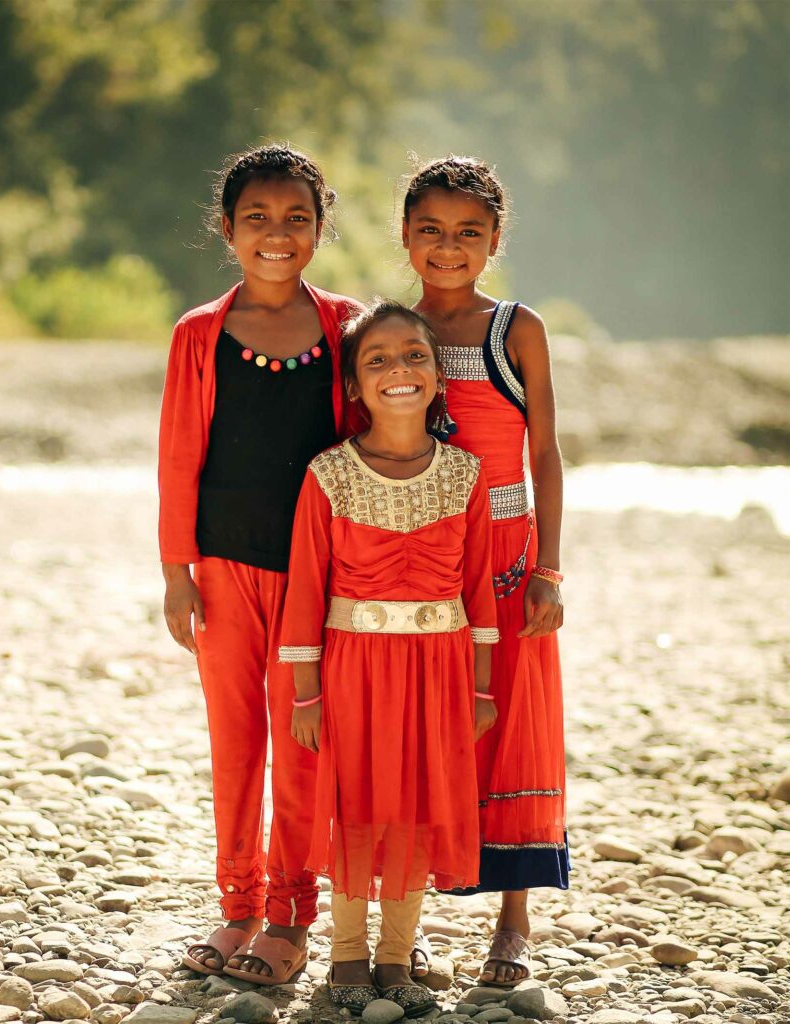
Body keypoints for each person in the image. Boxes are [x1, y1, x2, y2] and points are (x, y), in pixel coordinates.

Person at [158, 144, 363, 984]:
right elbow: (178, 459)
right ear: (227, 229)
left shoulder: (347, 326)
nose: (276, 234)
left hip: (319, 577)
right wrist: (177, 570)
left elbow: (375, 442)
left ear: (319, 228)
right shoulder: (200, 334)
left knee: (303, 739)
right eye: (257, 219)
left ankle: (291, 914)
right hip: (222, 568)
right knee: (236, 741)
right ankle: (239, 906)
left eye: (295, 219)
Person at [278, 301, 499, 1016]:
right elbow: (306, 588)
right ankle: (346, 954)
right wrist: (306, 694)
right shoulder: (328, 475)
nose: (398, 370)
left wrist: (481, 688)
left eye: (414, 356)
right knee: (353, 804)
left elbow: (478, 593)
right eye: (377, 359)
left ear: (437, 375)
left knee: (412, 805)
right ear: (351, 386)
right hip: (350, 668)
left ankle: (397, 955)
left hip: (437, 671)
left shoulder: (466, 476)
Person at [401, 155, 569, 987]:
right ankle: (407, 916)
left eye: (468, 233)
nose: (447, 247)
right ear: (404, 237)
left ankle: (513, 921)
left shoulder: (516, 330)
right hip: (418, 558)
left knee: (509, 721)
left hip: (505, 560)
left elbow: (544, 452)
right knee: (415, 728)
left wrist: (550, 570)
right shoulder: (389, 330)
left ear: (495, 240)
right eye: (429, 230)